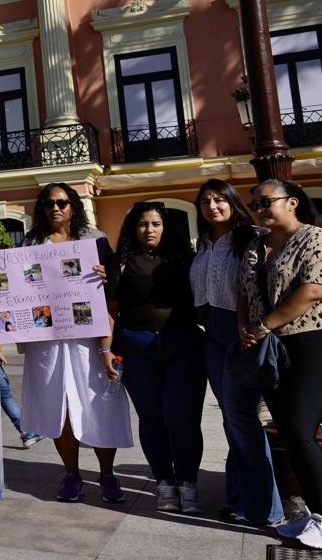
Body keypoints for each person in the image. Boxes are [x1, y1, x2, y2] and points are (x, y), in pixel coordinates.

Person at [20, 183, 131, 504]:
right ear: (42, 208)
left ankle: (108, 474)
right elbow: (15, 289)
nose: (56, 208)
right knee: (59, 407)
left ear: (73, 206)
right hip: (47, 341)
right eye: (49, 203)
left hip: (88, 339)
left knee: (99, 404)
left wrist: (106, 275)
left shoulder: (93, 240)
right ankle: (72, 474)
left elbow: (113, 294)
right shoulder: (30, 243)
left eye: (63, 203)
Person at [192, 179, 283, 525]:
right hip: (210, 334)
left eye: (219, 200)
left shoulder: (252, 236)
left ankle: (265, 508)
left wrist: (258, 326)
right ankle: (238, 497)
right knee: (232, 420)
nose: (212, 206)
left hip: (240, 332)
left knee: (242, 419)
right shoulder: (202, 243)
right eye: (205, 202)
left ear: (231, 202)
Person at [109, 200, 206, 514]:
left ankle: (188, 482)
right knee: (152, 419)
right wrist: (106, 349)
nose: (148, 230)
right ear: (132, 229)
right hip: (136, 348)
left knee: (182, 418)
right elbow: (109, 309)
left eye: (155, 223)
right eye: (141, 224)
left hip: (183, 346)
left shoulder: (187, 259)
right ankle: (164, 481)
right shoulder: (119, 262)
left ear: (165, 226)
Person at [239, 179, 322, 544]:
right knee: (288, 432)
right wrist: (244, 326)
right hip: (266, 348)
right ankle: (313, 515)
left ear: (291, 202)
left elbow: (312, 290)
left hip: (307, 342)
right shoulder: (256, 245)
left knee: (302, 431)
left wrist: (263, 325)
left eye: (265, 202)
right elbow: (243, 290)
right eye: (254, 203)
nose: (258, 209)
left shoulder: (314, 238)